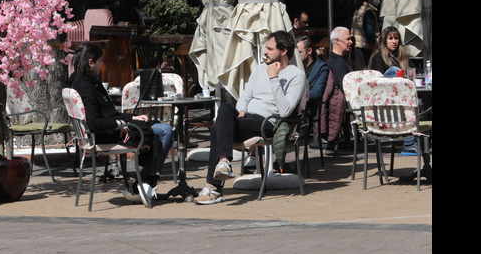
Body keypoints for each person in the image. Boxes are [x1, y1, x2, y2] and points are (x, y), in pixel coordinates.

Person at [195, 30, 306, 205]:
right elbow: (245, 97)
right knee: (225, 108)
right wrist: (241, 110)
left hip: (267, 123)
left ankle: (214, 186)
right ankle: (223, 163)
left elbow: (285, 111)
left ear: (284, 50)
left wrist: (274, 78)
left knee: (217, 127)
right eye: (265, 48)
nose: (265, 52)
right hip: (247, 119)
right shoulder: (260, 69)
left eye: (270, 48)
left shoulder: (296, 75)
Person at [66, 42, 171, 208]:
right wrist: (121, 123)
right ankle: (143, 184)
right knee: (165, 131)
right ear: (91, 62)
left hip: (109, 130)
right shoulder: (86, 86)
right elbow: (93, 123)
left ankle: (143, 184)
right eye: (100, 62)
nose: (102, 65)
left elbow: (107, 113)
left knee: (155, 126)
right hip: (106, 134)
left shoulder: (83, 81)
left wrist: (133, 117)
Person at [315, 27, 353, 152]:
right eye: (347, 39)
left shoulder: (336, 60)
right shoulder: (338, 63)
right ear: (337, 41)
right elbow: (346, 88)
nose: (351, 42)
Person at [296, 36, 328, 122]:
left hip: (308, 110)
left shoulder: (321, 69)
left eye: (299, 52)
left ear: (309, 51)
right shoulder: (294, 67)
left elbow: (317, 93)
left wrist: (295, 95)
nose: (296, 56)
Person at [350, 0, 381, 68]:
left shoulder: (358, 10)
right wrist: (375, 49)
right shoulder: (368, 12)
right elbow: (369, 32)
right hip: (366, 49)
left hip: (357, 47)